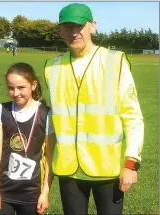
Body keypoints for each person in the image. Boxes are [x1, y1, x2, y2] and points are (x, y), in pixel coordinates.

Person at [44, 3, 144, 215]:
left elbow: (133, 116)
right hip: (69, 171)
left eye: (80, 26)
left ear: (93, 26)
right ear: (60, 30)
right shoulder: (52, 68)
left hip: (107, 171)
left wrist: (131, 162)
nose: (74, 32)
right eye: (67, 27)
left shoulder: (114, 62)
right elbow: (52, 120)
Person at [0, 63, 55, 215]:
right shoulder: (2, 110)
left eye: (21, 87)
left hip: (32, 193)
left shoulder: (46, 114)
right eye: (11, 88)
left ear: (33, 85)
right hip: (4, 191)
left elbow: (49, 157)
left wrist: (45, 192)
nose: (15, 93)